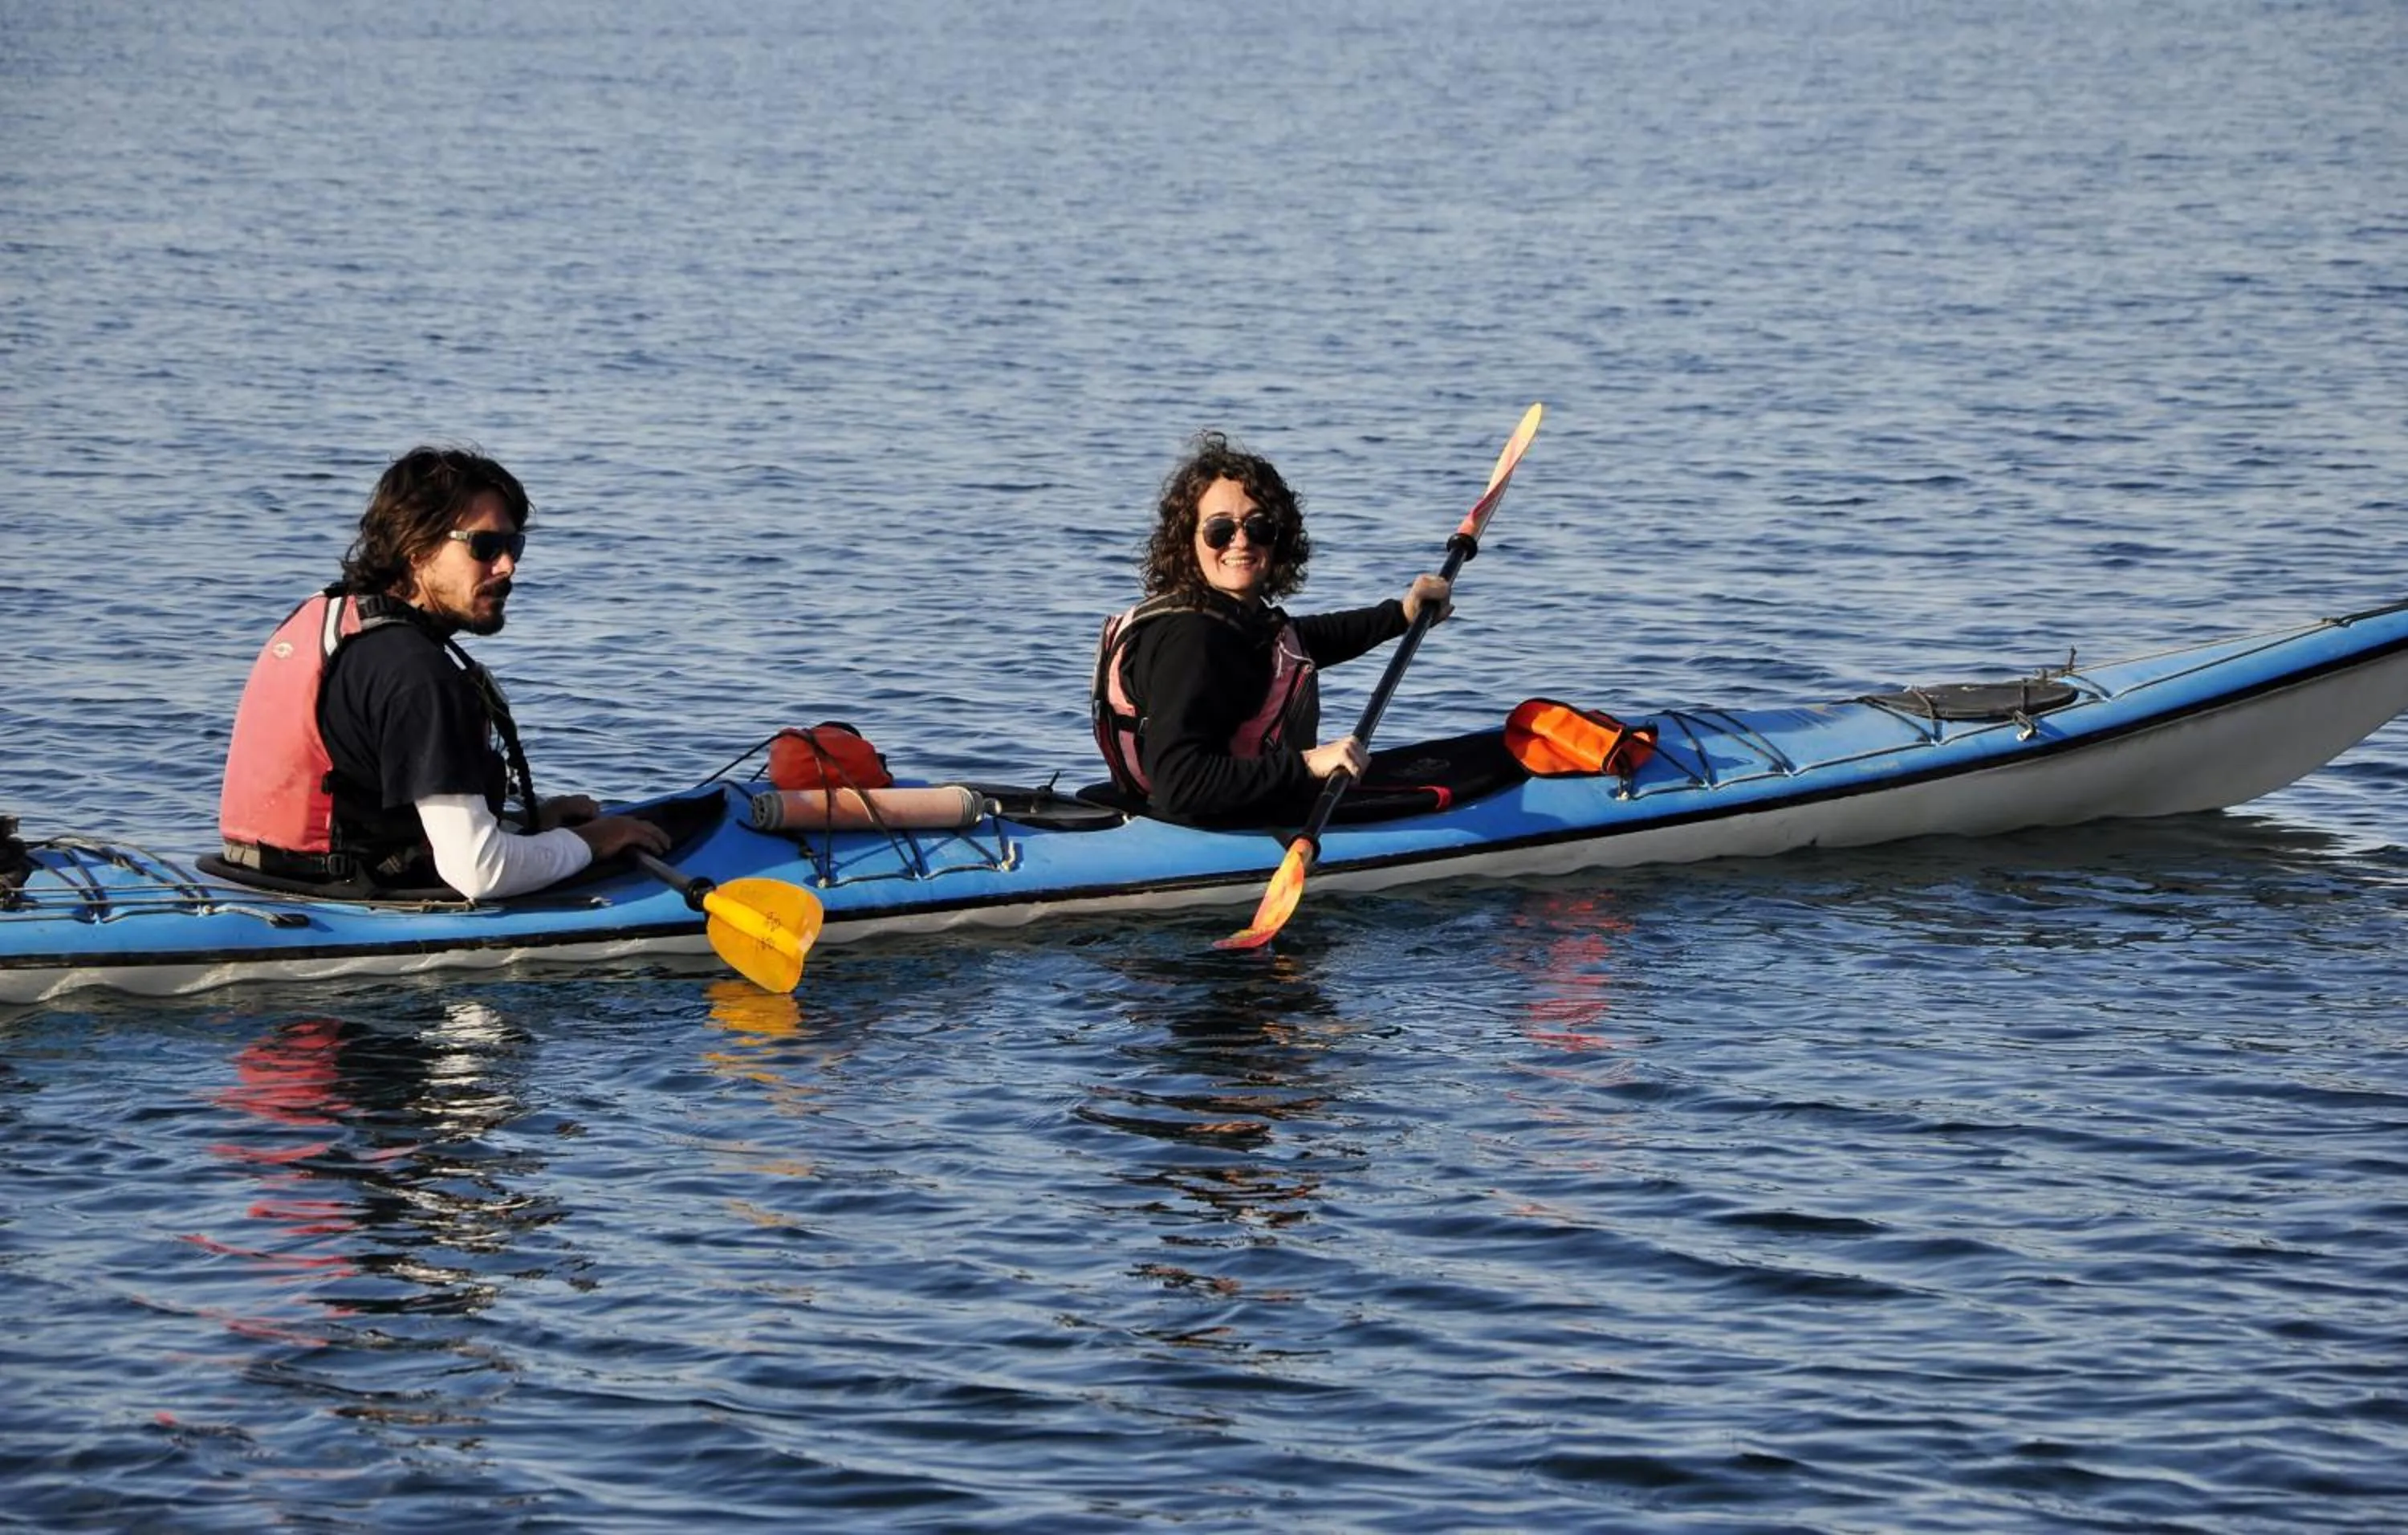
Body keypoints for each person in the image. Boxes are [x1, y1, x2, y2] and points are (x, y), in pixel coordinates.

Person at [219, 446, 670, 898]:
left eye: (514, 545)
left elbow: (366, 803)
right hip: (342, 902)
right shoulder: (417, 674)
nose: (508, 566)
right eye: (485, 547)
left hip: (264, 879)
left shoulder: (329, 616)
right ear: (417, 549)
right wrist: (593, 841)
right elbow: (479, 872)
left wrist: (528, 825)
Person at [1092, 430, 1452, 826]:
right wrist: (1307, 764)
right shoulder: (1195, 640)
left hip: (1164, 812)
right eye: (1219, 531)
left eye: (1259, 527)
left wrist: (1402, 614)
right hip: (1198, 822)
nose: (1240, 542)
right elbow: (1181, 785)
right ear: (1187, 541)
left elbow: (1301, 642)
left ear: (1279, 538)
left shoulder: (1222, 618)